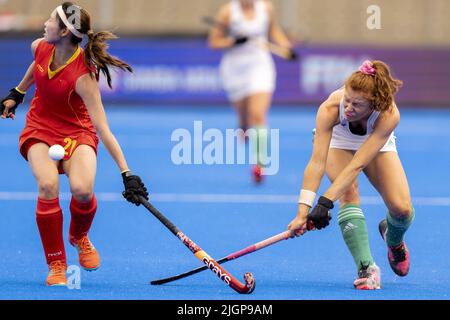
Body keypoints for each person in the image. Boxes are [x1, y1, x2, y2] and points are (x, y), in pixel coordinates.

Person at [0, 2, 149, 287]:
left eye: (51, 20)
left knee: (82, 190)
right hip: (40, 127)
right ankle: (56, 262)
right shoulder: (40, 45)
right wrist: (18, 92)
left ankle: (79, 236)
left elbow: (102, 128)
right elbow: (37, 66)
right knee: (47, 185)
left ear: (66, 31)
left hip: (77, 131)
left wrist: (126, 173)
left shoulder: (83, 76)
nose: (45, 23)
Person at [288, 60, 415, 290]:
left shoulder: (388, 115)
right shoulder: (329, 109)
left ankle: (393, 238)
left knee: (402, 209)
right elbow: (316, 163)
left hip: (375, 140)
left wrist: (325, 202)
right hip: (340, 139)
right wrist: (302, 211)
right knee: (348, 192)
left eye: (357, 104)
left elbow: (357, 165)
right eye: (347, 99)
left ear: (374, 104)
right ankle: (367, 267)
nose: (348, 108)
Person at [208, 0, 297, 183]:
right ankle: (243, 126)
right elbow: (214, 42)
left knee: (258, 115)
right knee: (245, 121)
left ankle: (260, 164)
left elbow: (274, 31)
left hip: (260, 66)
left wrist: (284, 45)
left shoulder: (266, 8)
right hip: (234, 70)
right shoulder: (227, 12)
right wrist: (233, 41)